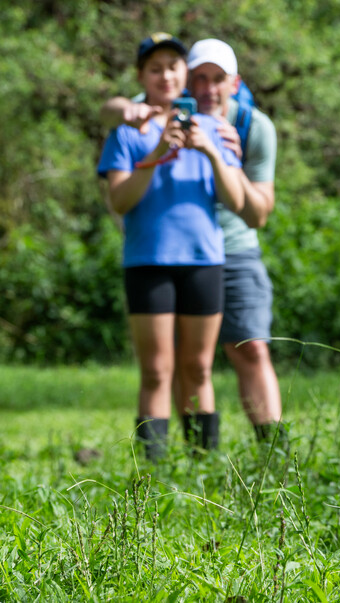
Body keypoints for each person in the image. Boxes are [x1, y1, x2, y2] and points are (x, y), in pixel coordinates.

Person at [101, 38, 285, 445]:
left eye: (216, 78)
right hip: (154, 255)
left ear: (234, 83)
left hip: (220, 252)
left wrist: (217, 155)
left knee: (234, 354)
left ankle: (259, 455)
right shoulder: (145, 119)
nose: (206, 87)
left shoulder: (242, 128)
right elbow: (114, 116)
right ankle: (161, 467)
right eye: (198, 77)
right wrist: (153, 140)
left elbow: (253, 212)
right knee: (163, 368)